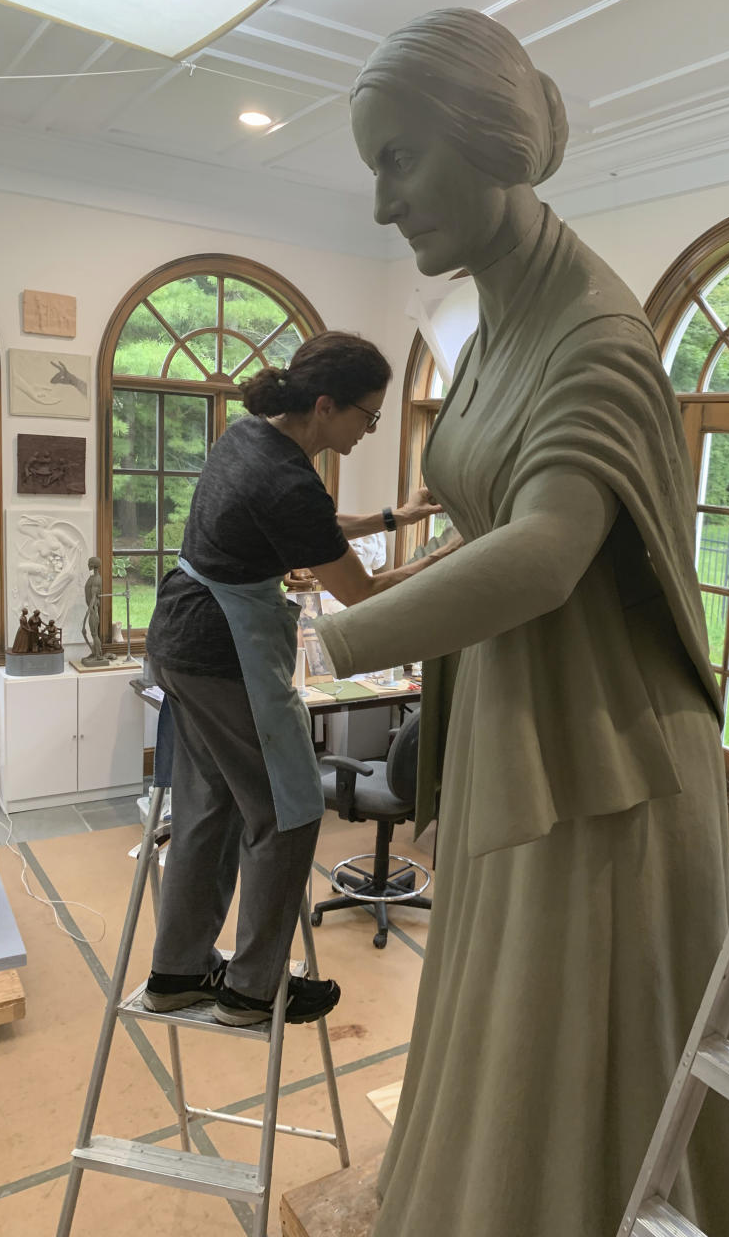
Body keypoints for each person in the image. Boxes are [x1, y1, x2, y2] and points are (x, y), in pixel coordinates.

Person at [312, 9, 729, 1237]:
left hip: (606, 758)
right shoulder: (493, 324)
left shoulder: (597, 329)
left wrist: (335, 639)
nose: (381, 204)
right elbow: (487, 514)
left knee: (573, 1042)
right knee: (502, 1023)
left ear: (487, 143)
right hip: (520, 722)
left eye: (398, 157)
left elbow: (546, 550)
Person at [142, 330, 451, 1028]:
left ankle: (176, 972)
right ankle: (252, 990)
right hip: (225, 654)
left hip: (181, 643)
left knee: (211, 807)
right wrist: (449, 555)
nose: (370, 430)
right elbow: (364, 593)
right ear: (324, 405)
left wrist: (395, 516)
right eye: (367, 416)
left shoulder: (249, 437)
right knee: (290, 810)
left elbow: (315, 529)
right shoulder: (284, 479)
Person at [81, 557, 108, 665]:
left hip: (93, 611)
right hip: (91, 610)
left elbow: (93, 597)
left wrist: (87, 614)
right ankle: (95, 652)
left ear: (93, 565)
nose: (88, 565)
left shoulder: (96, 579)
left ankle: (98, 655)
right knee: (91, 633)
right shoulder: (92, 577)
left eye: (89, 563)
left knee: (94, 634)